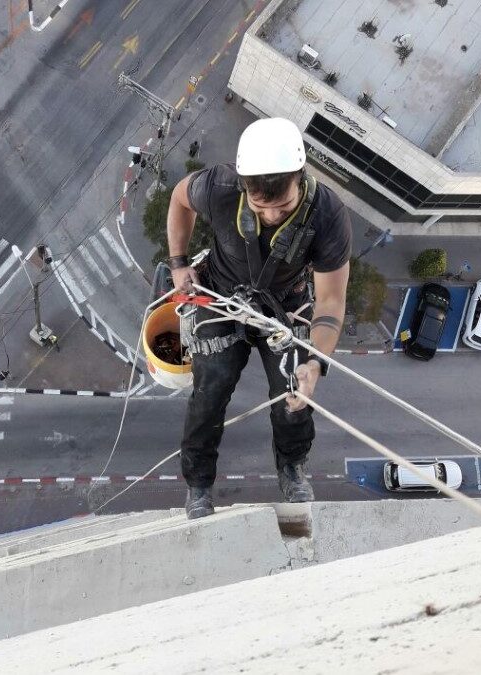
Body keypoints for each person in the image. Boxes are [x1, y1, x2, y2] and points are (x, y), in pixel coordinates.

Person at [166, 117, 352, 519]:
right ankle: (198, 484)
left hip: (284, 307)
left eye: (282, 206)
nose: (270, 216)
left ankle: (292, 467)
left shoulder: (326, 215)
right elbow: (180, 199)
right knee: (209, 394)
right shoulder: (219, 187)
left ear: (300, 180)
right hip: (221, 297)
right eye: (260, 206)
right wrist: (179, 264)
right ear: (244, 187)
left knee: (294, 399)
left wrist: (316, 362)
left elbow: (332, 300)